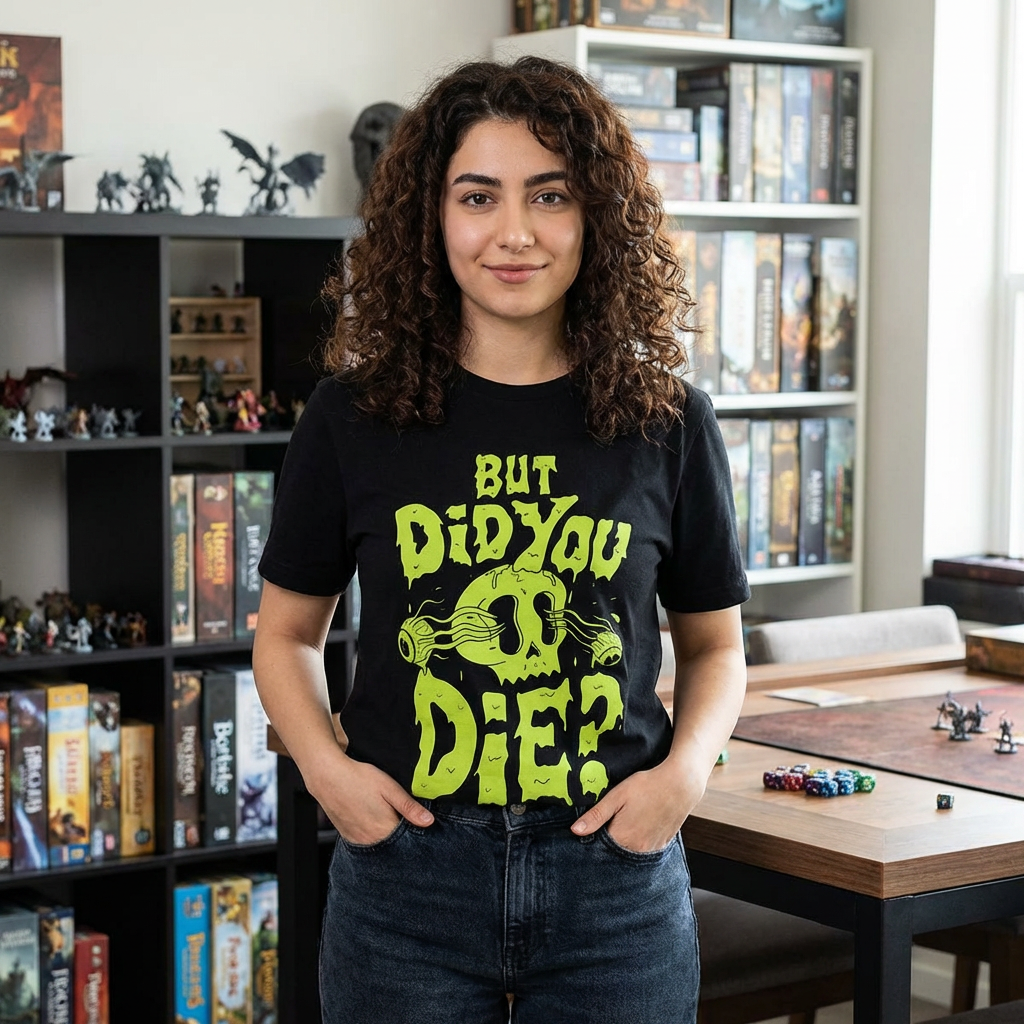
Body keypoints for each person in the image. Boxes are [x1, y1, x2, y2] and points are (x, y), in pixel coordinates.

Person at [252, 56, 749, 1024]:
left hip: (614, 877)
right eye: (478, 196)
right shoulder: (352, 416)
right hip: (405, 879)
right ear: (431, 219)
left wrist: (681, 779)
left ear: (594, 216)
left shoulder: (665, 419)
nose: (513, 232)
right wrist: (328, 774)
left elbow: (715, 645)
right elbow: (285, 637)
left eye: (550, 195)